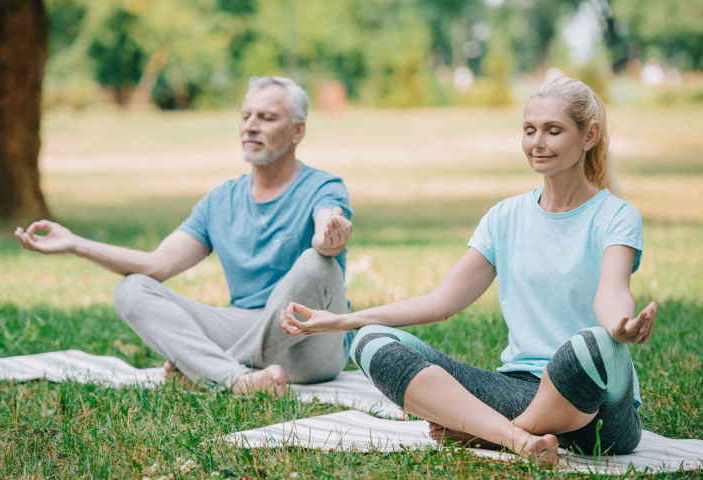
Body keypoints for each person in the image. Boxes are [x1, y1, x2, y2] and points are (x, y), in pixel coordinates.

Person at [280, 77, 657, 464]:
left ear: (589, 135)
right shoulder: (504, 217)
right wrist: (341, 321)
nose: (537, 142)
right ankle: (518, 437)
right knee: (370, 341)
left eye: (553, 130)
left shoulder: (616, 215)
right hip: (518, 388)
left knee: (595, 343)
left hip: (600, 415)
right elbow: (442, 302)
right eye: (529, 130)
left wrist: (619, 325)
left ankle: (494, 434)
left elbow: (611, 291)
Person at [16, 76, 354, 396]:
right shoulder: (220, 200)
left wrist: (328, 238)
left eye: (266, 117)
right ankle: (235, 379)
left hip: (311, 345)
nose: (251, 125)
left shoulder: (322, 186)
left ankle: (205, 370)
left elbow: (327, 224)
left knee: (318, 264)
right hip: (243, 326)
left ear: (297, 131)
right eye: (246, 115)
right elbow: (156, 264)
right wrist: (75, 244)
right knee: (132, 289)